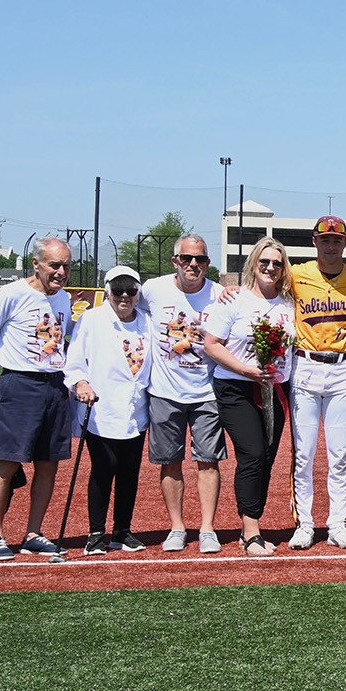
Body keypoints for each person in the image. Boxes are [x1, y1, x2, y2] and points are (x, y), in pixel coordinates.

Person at [0, 237, 75, 562]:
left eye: (66, 266)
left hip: (55, 387)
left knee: (48, 464)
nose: (60, 272)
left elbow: (61, 343)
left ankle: (33, 533)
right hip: (18, 384)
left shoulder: (65, 300)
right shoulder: (12, 294)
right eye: (54, 265)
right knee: (6, 462)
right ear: (37, 264)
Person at [202, 239, 297, 557]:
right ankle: (252, 531)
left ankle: (250, 526)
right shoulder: (234, 300)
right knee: (253, 453)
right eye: (265, 262)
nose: (271, 268)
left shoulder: (289, 304)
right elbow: (212, 344)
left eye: (278, 263)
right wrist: (247, 370)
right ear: (254, 264)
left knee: (267, 458)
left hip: (275, 391)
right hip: (236, 388)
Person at [284, 215, 346, 550]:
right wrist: (232, 289)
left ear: (344, 243)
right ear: (314, 241)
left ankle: (337, 522)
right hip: (304, 366)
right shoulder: (297, 274)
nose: (331, 245)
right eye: (325, 239)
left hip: (342, 370)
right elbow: (261, 285)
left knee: (339, 453)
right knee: (303, 453)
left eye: (337, 240)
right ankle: (305, 523)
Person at [142, 234, 225, 553]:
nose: (194, 265)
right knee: (170, 462)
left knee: (208, 461)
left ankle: (207, 528)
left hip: (207, 392)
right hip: (164, 392)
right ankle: (177, 527)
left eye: (201, 259)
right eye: (187, 259)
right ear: (175, 260)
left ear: (208, 263)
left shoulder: (220, 294)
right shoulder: (153, 289)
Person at [65, 266, 153, 555]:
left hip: (136, 411)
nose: (124, 296)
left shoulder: (147, 323)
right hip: (101, 410)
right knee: (104, 470)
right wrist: (81, 383)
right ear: (107, 292)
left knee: (130, 473)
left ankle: (122, 531)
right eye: (118, 290)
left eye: (131, 290)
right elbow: (75, 360)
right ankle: (96, 532)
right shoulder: (92, 319)